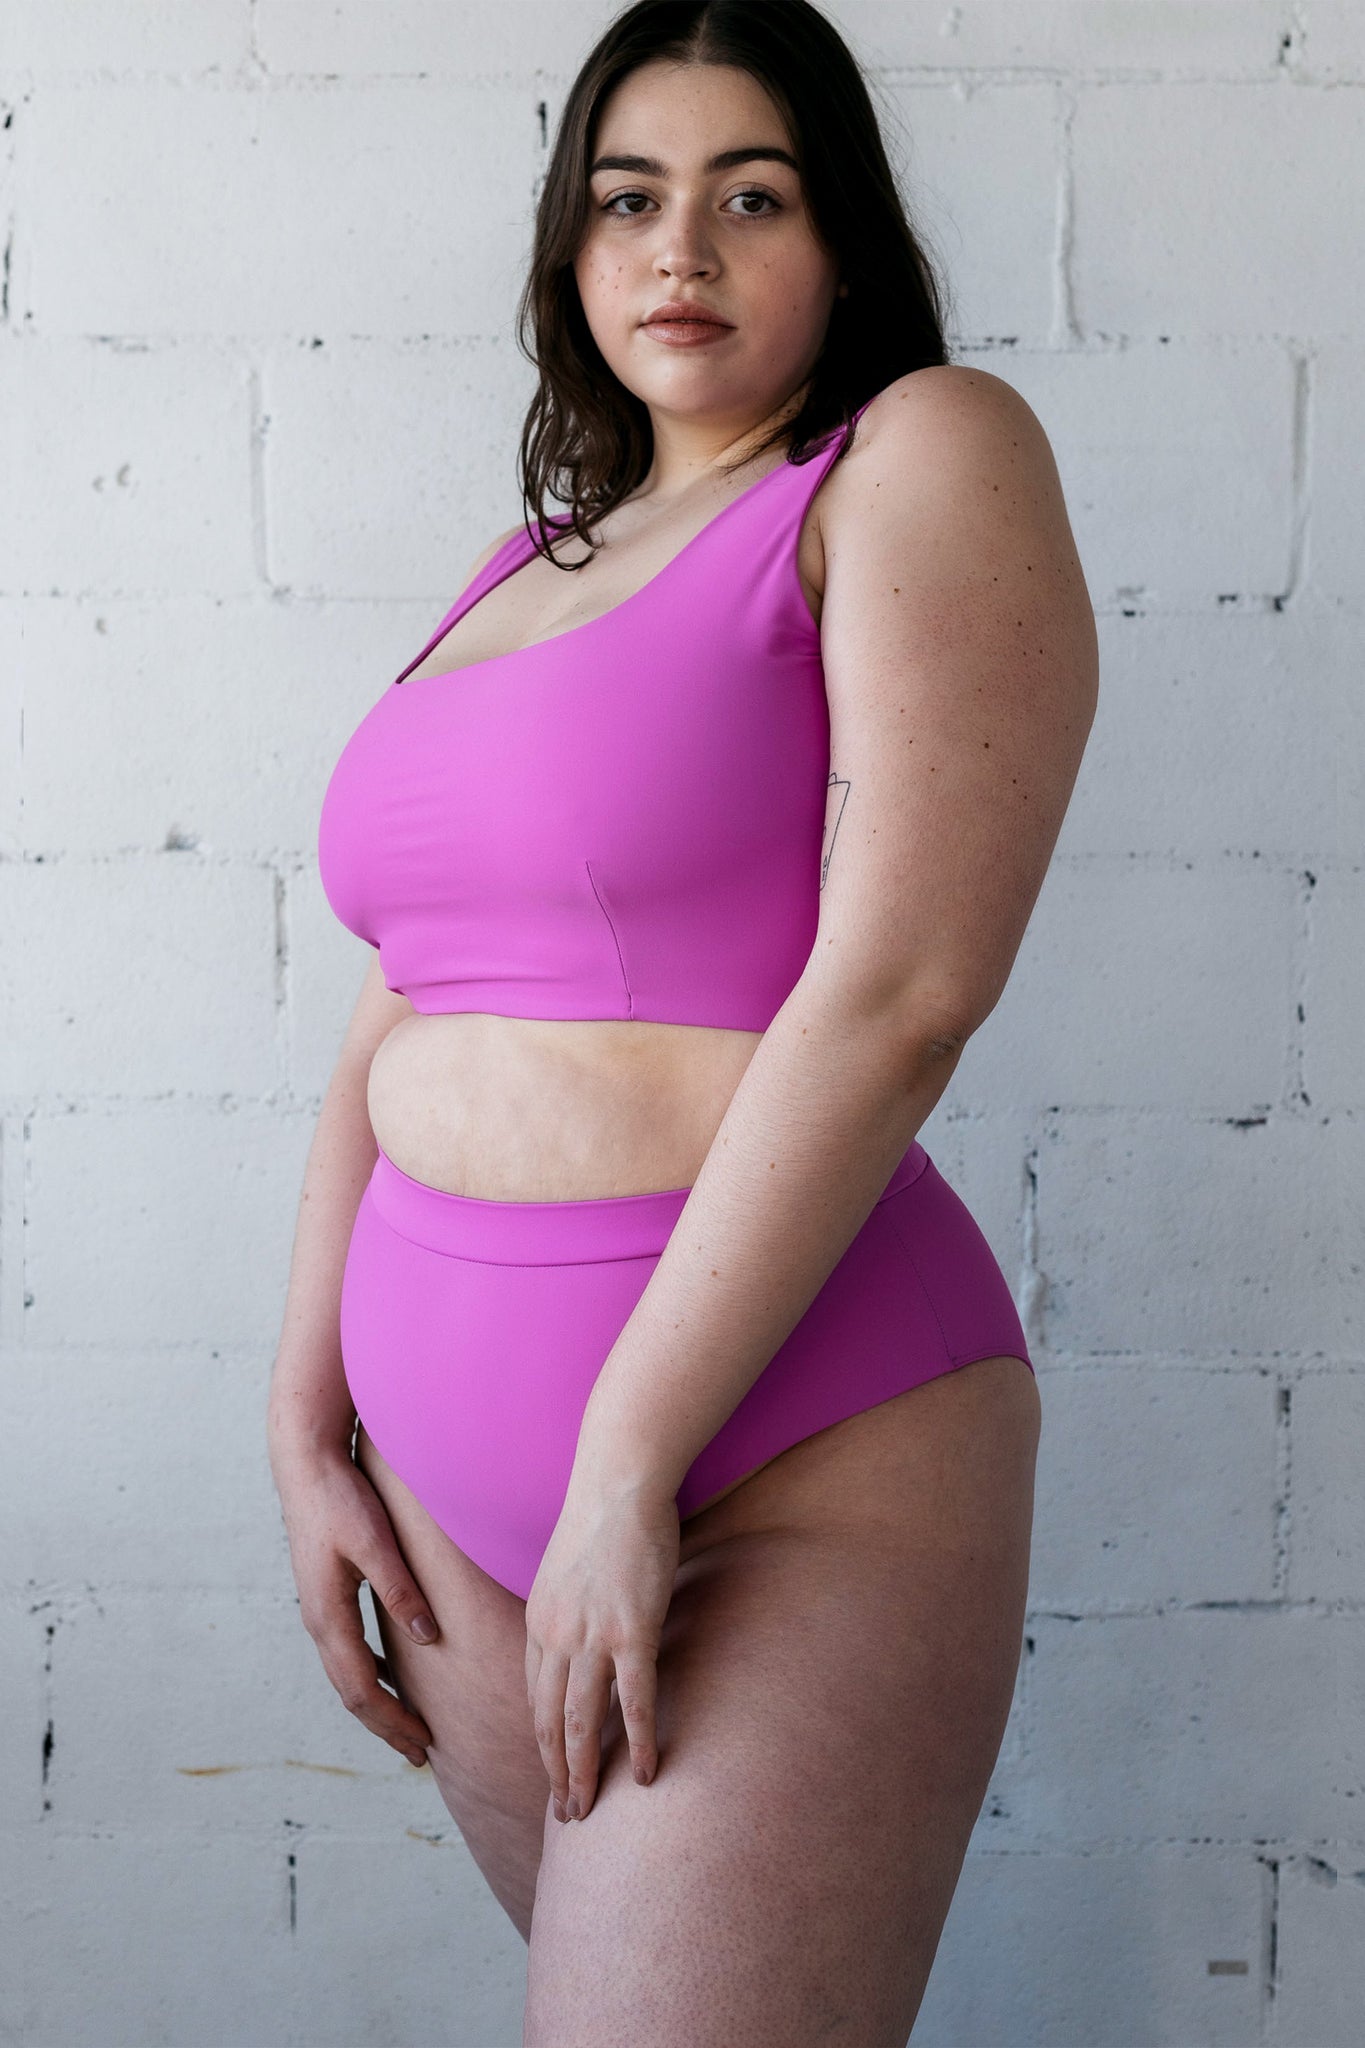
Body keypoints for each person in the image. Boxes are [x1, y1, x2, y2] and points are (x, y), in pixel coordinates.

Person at [267, 1, 1098, 2038]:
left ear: (841, 244)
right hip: (452, 1489)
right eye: (628, 199)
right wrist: (303, 1411)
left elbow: (906, 991)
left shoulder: (911, 457)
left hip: (770, 1451)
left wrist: (623, 1456)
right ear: (570, 247)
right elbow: (401, 996)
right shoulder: (520, 563)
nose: (682, 252)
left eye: (753, 196)